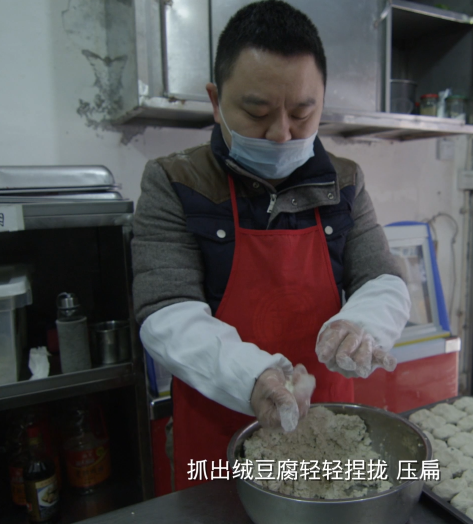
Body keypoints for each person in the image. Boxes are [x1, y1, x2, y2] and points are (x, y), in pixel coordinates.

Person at [131, 0, 411, 491]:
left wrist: (361, 326)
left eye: (303, 113)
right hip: (218, 433)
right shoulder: (175, 183)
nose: (282, 134)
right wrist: (252, 378)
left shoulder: (344, 183)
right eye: (256, 112)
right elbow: (165, 311)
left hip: (326, 426)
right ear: (216, 100)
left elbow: (382, 278)